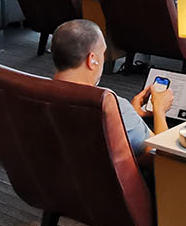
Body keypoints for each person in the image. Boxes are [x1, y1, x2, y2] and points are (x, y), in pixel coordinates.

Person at [51, 20, 170, 156]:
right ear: (92, 60)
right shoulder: (110, 104)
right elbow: (160, 157)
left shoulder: (29, 92)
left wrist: (132, 115)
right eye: (102, 53)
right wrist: (159, 109)